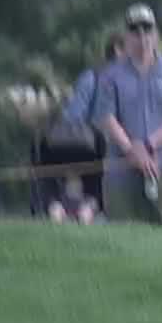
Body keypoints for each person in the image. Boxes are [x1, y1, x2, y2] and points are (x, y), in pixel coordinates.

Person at [91, 3, 162, 225]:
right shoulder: (110, 75)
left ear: (156, 34)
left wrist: (147, 145)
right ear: (126, 36)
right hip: (121, 168)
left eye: (147, 29)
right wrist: (131, 150)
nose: (142, 36)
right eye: (135, 30)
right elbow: (107, 118)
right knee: (121, 234)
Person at [37, 32, 125, 224]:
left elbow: (72, 114)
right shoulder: (122, 81)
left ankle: (56, 209)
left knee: (50, 180)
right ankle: (86, 212)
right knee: (96, 189)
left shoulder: (91, 75)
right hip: (96, 145)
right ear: (118, 51)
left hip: (67, 141)